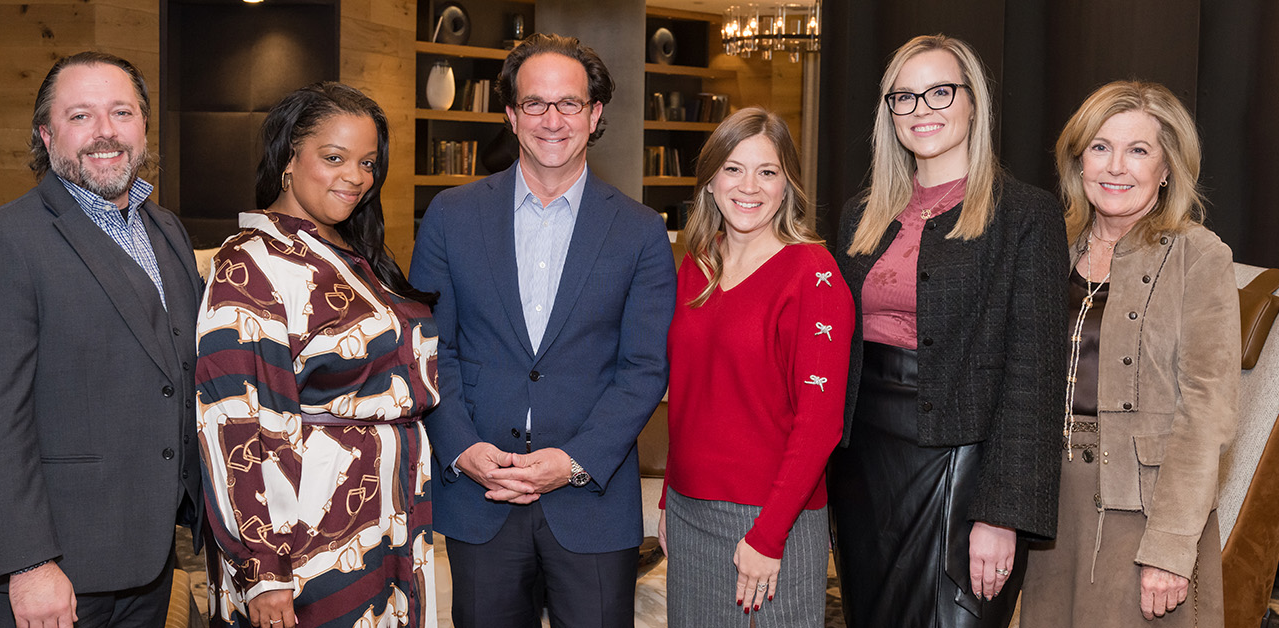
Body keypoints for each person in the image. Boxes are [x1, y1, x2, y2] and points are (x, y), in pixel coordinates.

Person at [408, 33, 675, 628]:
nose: (552, 120)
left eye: (569, 104)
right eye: (535, 103)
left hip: (592, 500)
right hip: (481, 492)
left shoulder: (639, 231)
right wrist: (463, 449)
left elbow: (644, 369)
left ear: (595, 114)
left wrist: (575, 461)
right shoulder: (450, 216)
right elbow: (430, 348)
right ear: (511, 113)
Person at [0, 51, 203, 628]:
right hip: (52, 571)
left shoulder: (167, 229)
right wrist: (30, 565)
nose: (106, 132)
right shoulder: (0, 243)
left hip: (149, 558)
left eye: (122, 112)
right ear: (46, 133)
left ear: (144, 126)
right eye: (81, 115)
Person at [825, 34, 1067, 627]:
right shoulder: (861, 215)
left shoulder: (1026, 215)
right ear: (889, 115)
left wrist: (1002, 513)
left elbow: (1034, 376)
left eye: (939, 91)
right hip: (864, 464)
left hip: (964, 466)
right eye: (903, 98)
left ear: (973, 103)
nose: (921, 109)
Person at [195, 82, 440, 628]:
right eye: (334, 158)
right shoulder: (251, 263)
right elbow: (235, 420)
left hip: (389, 518)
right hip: (305, 538)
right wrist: (263, 571)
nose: (355, 176)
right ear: (288, 158)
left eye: (367, 162)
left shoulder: (354, 252)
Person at [1020, 80, 1237, 626]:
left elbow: (1207, 414)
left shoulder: (1199, 256)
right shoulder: (1050, 245)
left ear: (1167, 169)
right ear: (1079, 161)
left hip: (1143, 513)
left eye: (1138, 150)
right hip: (1048, 511)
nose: (1116, 167)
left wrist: (1168, 548)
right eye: (1100, 147)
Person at [659, 107, 853, 626]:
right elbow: (689, 393)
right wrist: (666, 497)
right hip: (686, 506)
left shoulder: (815, 276)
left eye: (767, 172)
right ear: (710, 181)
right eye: (733, 168)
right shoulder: (698, 262)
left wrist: (769, 535)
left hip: (771, 519)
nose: (750, 186)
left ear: (787, 185)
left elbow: (820, 424)